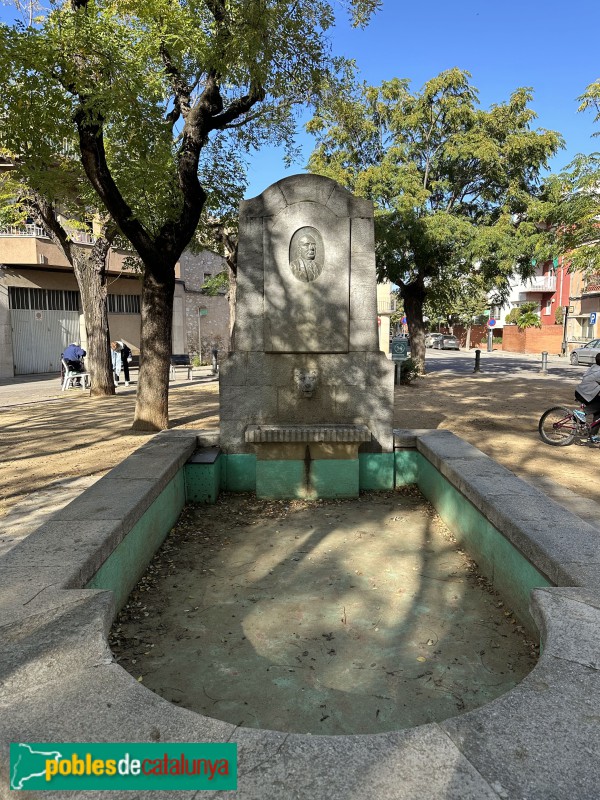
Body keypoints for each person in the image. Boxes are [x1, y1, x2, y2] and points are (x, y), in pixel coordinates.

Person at [574, 352, 600, 441]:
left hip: (581, 392)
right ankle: (583, 412)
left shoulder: (594, 367)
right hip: (584, 394)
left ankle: (593, 435)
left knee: (598, 412)